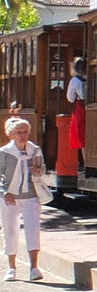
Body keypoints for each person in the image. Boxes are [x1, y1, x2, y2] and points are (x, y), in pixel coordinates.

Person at [0, 117, 45, 281]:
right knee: (10, 230)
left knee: (33, 229)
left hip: (31, 196)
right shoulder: (4, 152)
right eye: (18, 132)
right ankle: (11, 268)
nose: (23, 135)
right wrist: (5, 191)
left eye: (25, 132)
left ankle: (34, 267)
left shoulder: (34, 150)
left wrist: (38, 170)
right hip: (9, 198)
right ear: (10, 134)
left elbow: (42, 169)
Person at [67, 56, 87, 167]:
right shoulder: (94, 77)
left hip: (80, 108)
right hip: (92, 106)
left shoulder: (75, 80)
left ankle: (85, 162)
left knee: (81, 137)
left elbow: (70, 98)